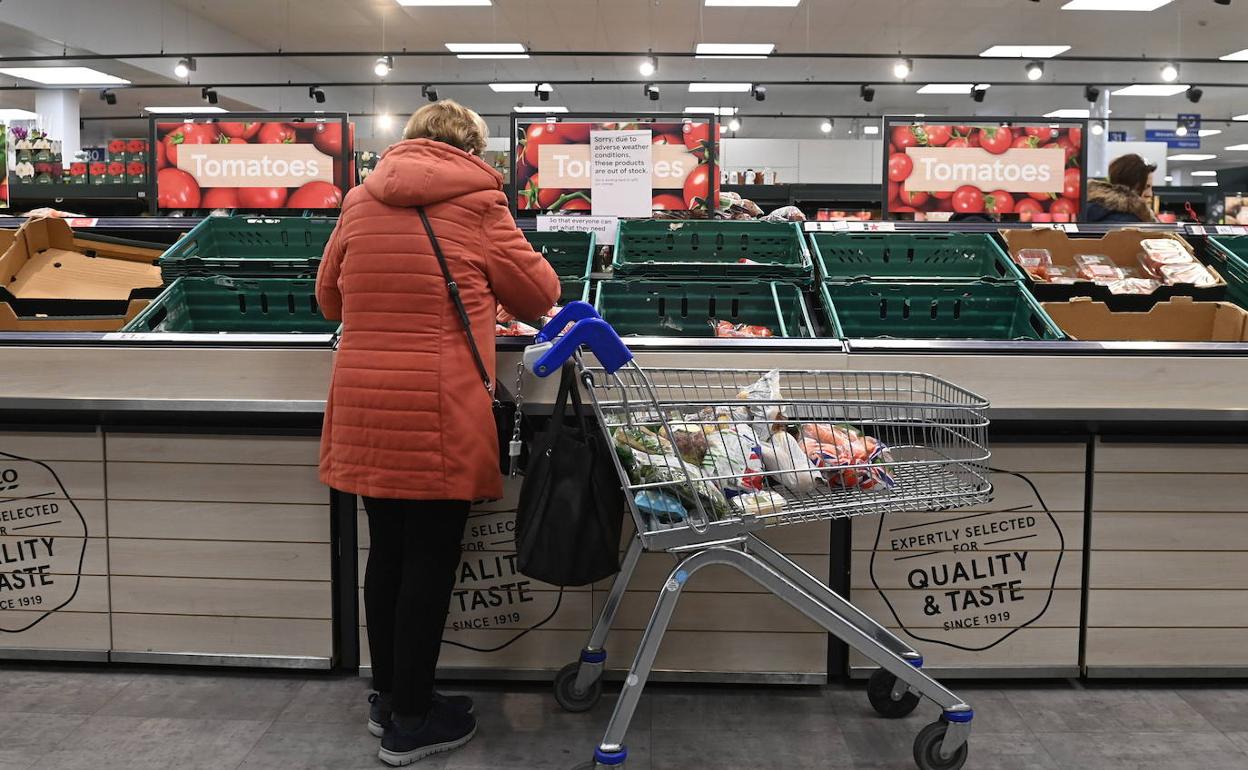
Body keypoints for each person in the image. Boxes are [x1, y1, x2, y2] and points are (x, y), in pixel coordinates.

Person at [315, 100, 560, 766]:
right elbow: (541, 294)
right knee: (429, 560)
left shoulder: (360, 201)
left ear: (409, 143)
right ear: (473, 150)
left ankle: (391, 697)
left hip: (363, 403)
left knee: (386, 553)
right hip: (437, 407)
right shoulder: (481, 203)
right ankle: (413, 722)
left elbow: (328, 299)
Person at [1085, 154, 1157, 223]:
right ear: (1131, 186)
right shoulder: (1131, 224)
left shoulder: (1090, 210)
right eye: (1145, 187)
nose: (1150, 194)